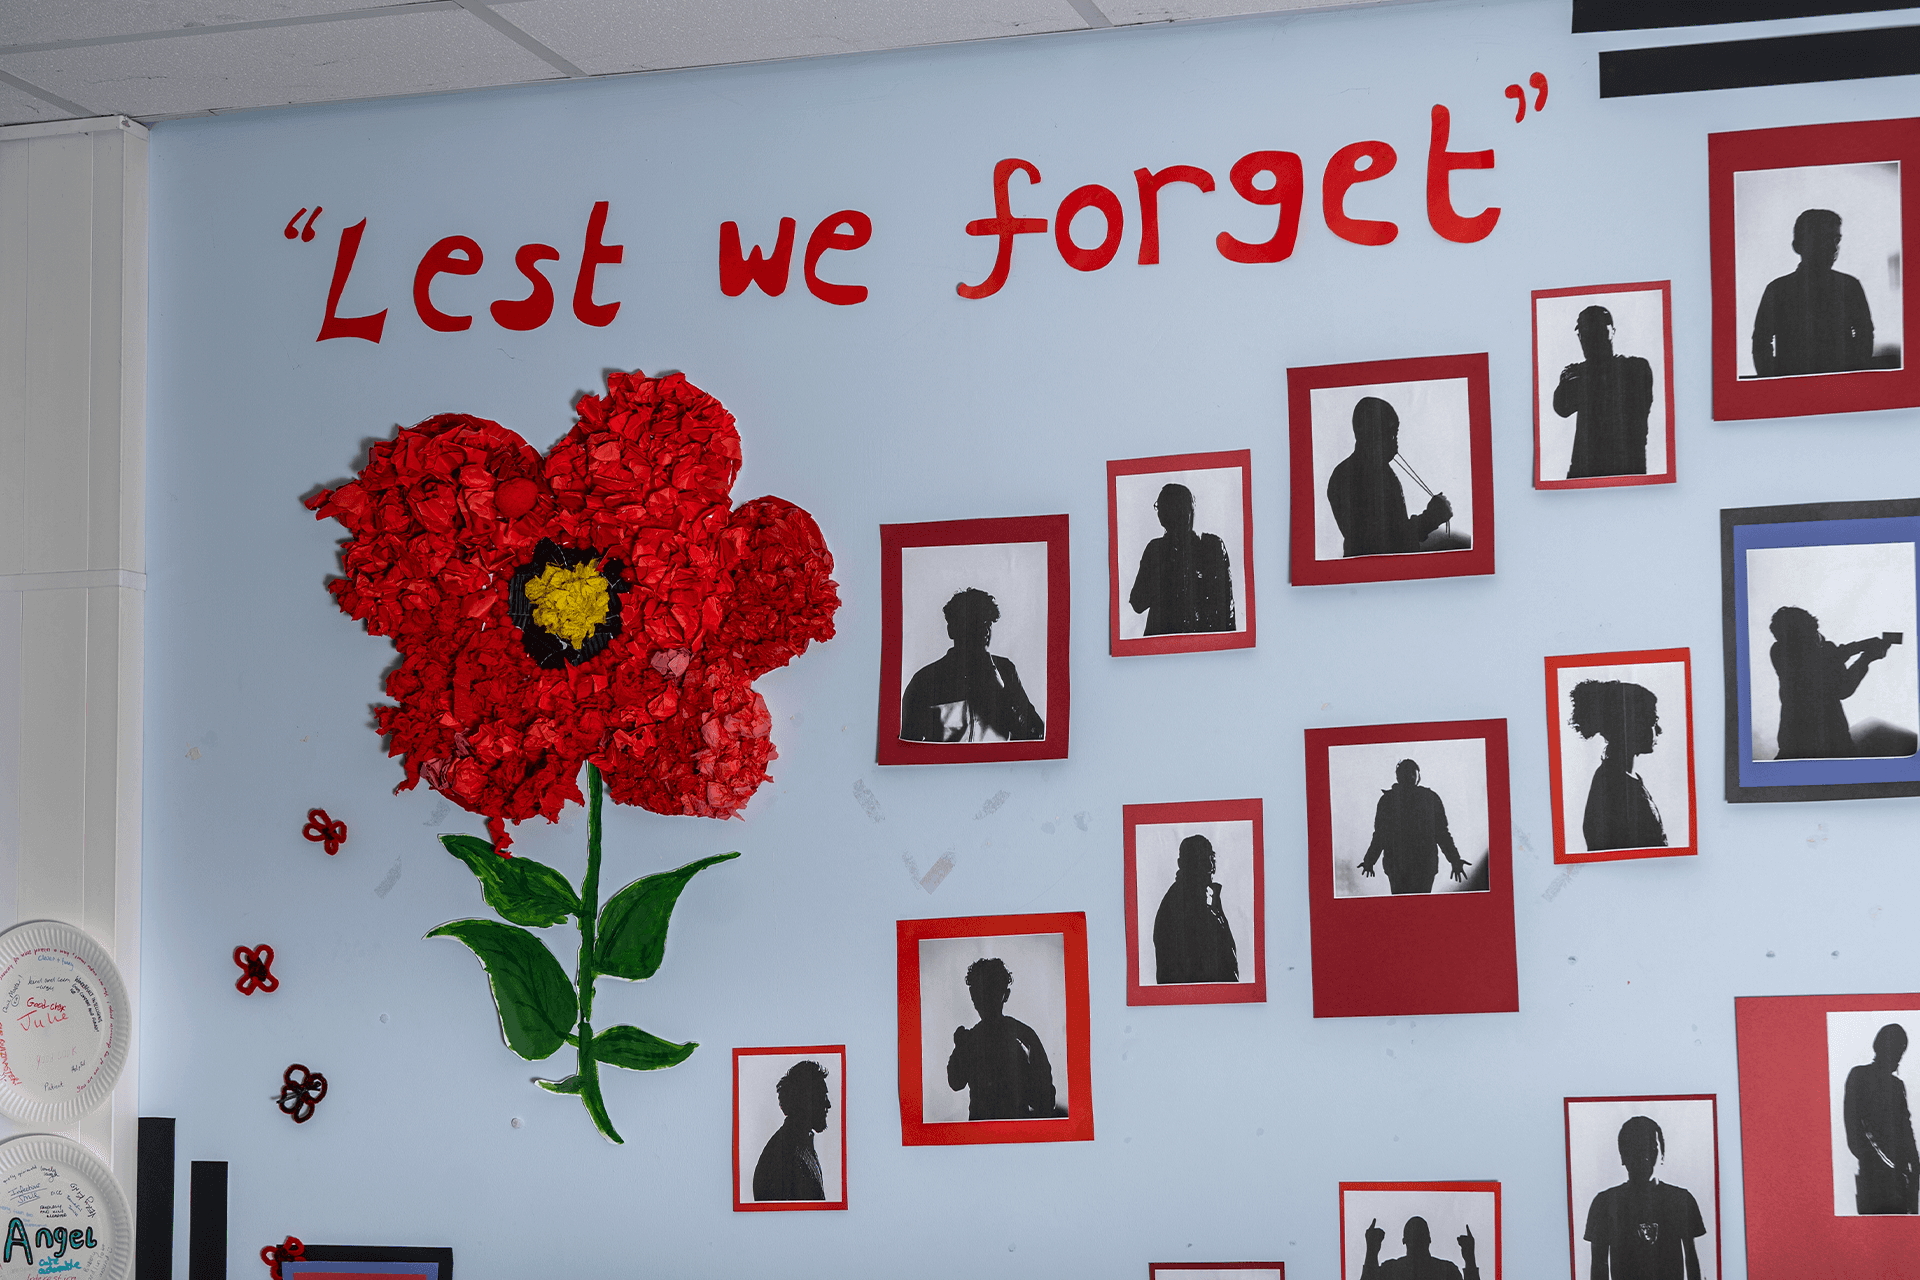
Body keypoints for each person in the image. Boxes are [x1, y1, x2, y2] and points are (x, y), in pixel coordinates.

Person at [899, 587, 1044, 743]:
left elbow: (1035, 733)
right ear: (952, 630)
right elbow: (909, 748)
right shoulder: (925, 681)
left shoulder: (1005, 671)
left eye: (987, 622)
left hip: (996, 767)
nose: (984, 630)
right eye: (974, 621)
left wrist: (1002, 692)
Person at [1326, 396, 1456, 558]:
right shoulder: (1348, 477)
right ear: (1369, 434)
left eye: (1395, 433)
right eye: (1389, 434)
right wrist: (1430, 518)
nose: (1394, 442)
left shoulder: (1377, 472)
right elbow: (1384, 542)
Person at [1751, 208, 1874, 378]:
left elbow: (1865, 335)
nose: (1833, 247)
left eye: (1836, 239)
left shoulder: (1778, 289)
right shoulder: (1777, 290)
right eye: (1823, 238)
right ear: (1799, 246)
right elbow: (1761, 343)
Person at [1584, 1115, 1706, 1280]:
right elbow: (1598, 1266)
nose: (1645, 1156)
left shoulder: (1682, 1200)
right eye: (1636, 1148)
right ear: (1623, 1155)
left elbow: (1694, 1261)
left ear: (1663, 1153)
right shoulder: (1604, 1203)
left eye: (1652, 1147)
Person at [1768, 606, 1895, 759]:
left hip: (1793, 738)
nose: (1820, 638)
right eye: (1814, 633)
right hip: (1833, 738)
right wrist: (1865, 659)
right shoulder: (1813, 655)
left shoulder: (1779, 651)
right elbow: (1843, 688)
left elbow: (1826, 656)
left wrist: (1860, 647)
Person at [946, 958, 1058, 1120]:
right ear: (973, 996)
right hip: (989, 1133)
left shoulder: (1023, 1037)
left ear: (1005, 995)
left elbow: (1046, 1101)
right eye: (980, 992)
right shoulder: (1022, 1036)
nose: (984, 998)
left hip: (1007, 1131)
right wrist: (960, 1047)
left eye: (991, 990)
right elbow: (956, 1082)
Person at [1553, 305, 1655, 479]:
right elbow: (1561, 407)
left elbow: (1607, 387)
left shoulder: (1635, 369)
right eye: (1584, 333)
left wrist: (1581, 375)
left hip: (1625, 472)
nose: (1589, 339)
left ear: (1611, 332)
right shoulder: (1631, 369)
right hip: (1585, 474)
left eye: (1596, 331)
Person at [1568, 680, 1667, 852]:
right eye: (1652, 721)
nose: (1658, 730)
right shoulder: (1612, 785)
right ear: (1630, 726)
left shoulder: (1622, 779)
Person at [1129, 482, 1236, 635]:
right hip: (1195, 643)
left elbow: (1137, 602)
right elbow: (1228, 613)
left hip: (1166, 643)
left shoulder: (1156, 549)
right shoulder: (1213, 546)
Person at [1843, 1023, 1920, 1215]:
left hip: (1902, 1182)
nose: (1899, 1056)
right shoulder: (1859, 1076)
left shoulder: (1897, 1086)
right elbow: (1855, 1131)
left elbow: (1906, 1130)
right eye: (1897, 1049)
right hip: (1874, 1180)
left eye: (1902, 1050)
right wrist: (1888, 1166)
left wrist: (1915, 1168)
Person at [1358, 759, 1468, 894]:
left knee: (1403, 905)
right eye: (1408, 773)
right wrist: (1455, 860)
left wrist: (1369, 861)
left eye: (1411, 773)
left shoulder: (1388, 800)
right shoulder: (1430, 798)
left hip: (1400, 866)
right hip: (1421, 865)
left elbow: (1380, 835)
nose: (1410, 776)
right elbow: (1442, 834)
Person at [1152, 834, 1239, 984]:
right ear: (1183, 863)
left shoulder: (1208, 901)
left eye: (1212, 858)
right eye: (1202, 860)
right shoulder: (1178, 906)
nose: (1211, 866)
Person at [751, 1060, 831, 1201]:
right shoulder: (786, 1155)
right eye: (822, 1097)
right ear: (805, 1101)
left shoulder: (795, 1145)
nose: (828, 1104)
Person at [1361, 1216, 1480, 1280]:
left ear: (1404, 1241)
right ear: (1429, 1239)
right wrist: (1470, 1261)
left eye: (1419, 1234)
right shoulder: (1447, 1270)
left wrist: (1372, 1251)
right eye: (1414, 1235)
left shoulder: (1390, 1270)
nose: (1416, 1238)